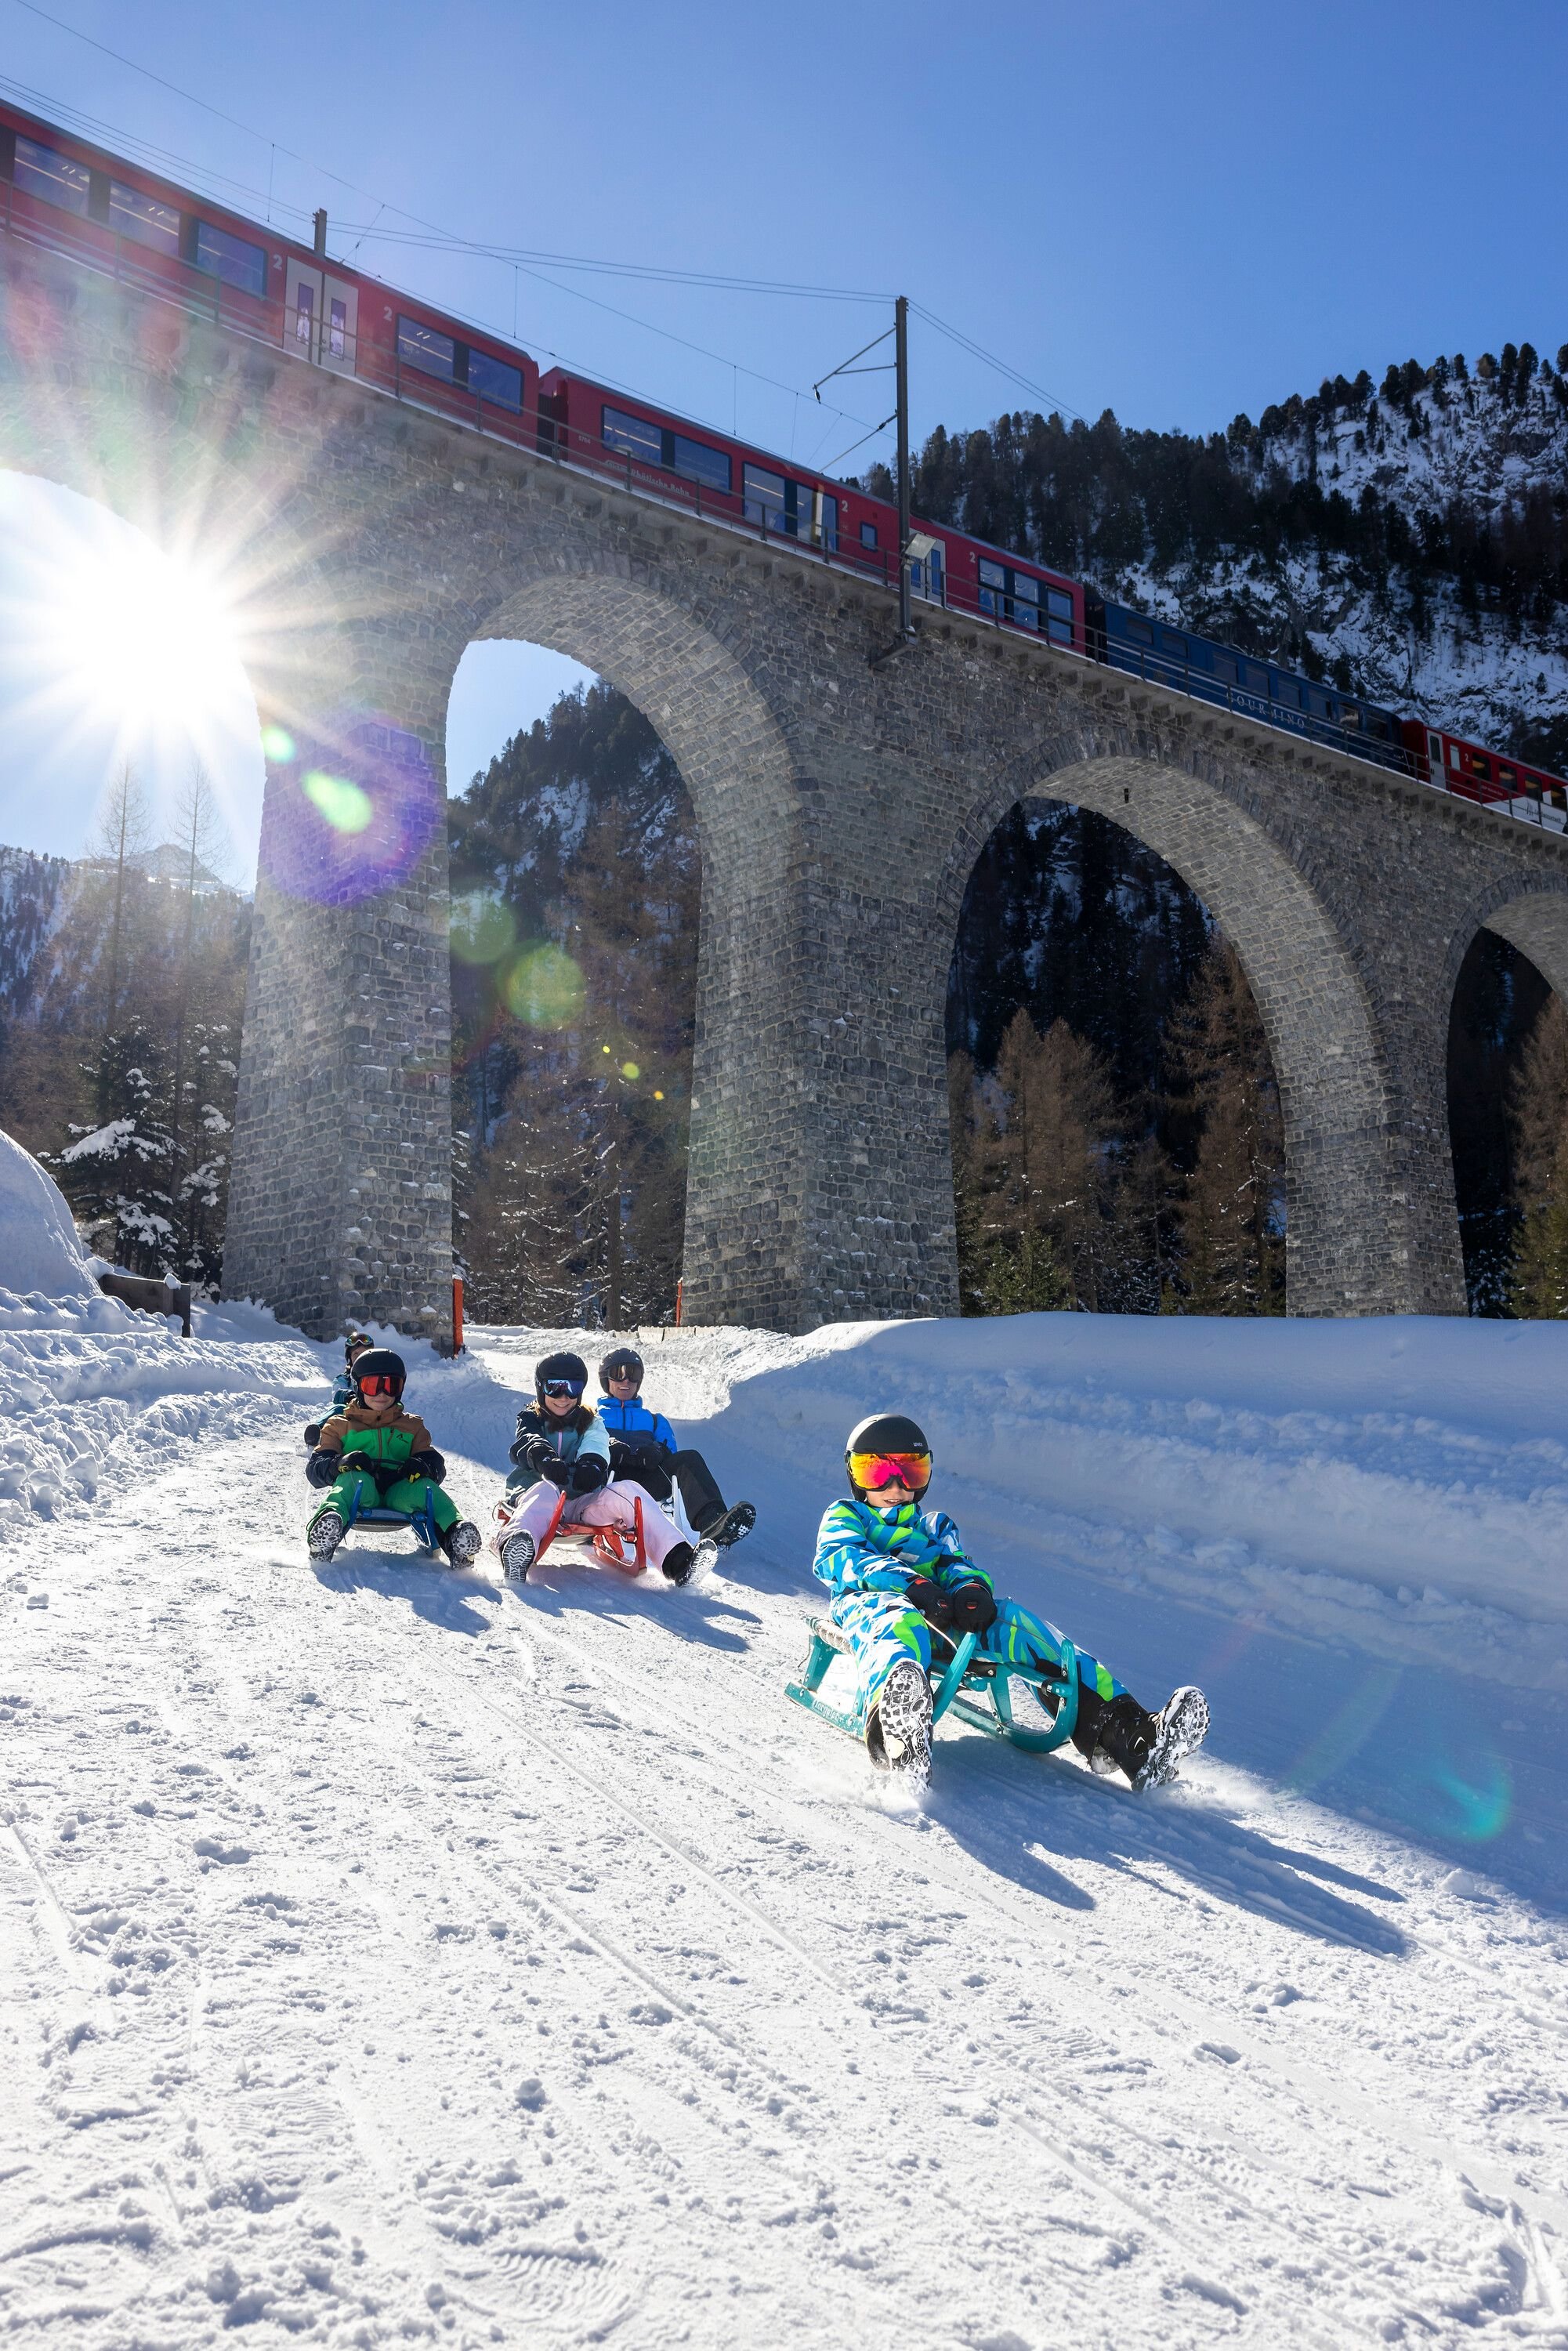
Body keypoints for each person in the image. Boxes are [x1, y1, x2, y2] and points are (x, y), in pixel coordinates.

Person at [812, 1411, 1208, 1788]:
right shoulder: (846, 1515)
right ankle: (898, 1735)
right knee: (898, 1620)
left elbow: (956, 1564)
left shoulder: (935, 1525)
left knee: (1016, 1622)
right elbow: (841, 1557)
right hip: (871, 1608)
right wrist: (912, 1586)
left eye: (910, 1472)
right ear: (854, 1474)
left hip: (942, 1616)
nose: (895, 1488)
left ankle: (1132, 1736)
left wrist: (970, 1591)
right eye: (878, 1472)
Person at [498, 1349, 714, 1588]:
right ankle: (515, 1548)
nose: (564, 1396)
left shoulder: (590, 1420)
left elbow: (597, 1443)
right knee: (545, 1490)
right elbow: (528, 1440)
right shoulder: (531, 1417)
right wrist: (544, 1459)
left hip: (582, 1502)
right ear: (541, 1387)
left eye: (573, 1388)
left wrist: (591, 1463)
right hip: (538, 1496)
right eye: (555, 1387)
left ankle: (679, 1562)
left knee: (630, 1491)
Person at [305, 1346, 480, 1567]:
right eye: (373, 1385)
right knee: (351, 1480)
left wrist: (424, 1466)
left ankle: (456, 1537)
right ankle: (325, 1533)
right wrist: (339, 1463)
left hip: (400, 1492)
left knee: (425, 1487)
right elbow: (315, 1470)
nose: (382, 1394)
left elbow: (436, 1465)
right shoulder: (339, 1425)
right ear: (359, 1386)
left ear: (400, 1389)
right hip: (361, 1492)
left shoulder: (412, 1425)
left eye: (390, 1385)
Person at [596, 1345, 755, 1550]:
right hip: (608, 1486)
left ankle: (713, 1523)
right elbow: (580, 1449)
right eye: (618, 1374)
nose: (626, 1381)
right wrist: (608, 1447)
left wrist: (658, 1451)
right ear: (605, 1379)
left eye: (633, 1374)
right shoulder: (592, 1417)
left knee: (689, 1459)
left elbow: (670, 1450)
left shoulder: (655, 1421)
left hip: (647, 1485)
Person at [304, 1331, 372, 1447]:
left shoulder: (378, 1376)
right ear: (350, 1359)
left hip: (374, 1412)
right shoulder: (344, 1379)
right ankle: (318, 1431)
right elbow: (337, 1392)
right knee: (339, 1408)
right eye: (356, 1354)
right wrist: (348, 1395)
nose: (360, 1357)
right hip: (352, 1413)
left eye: (364, 1353)